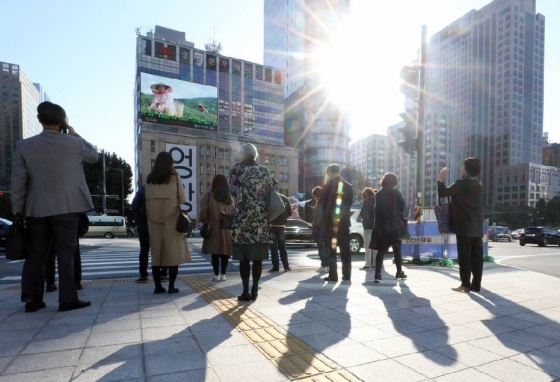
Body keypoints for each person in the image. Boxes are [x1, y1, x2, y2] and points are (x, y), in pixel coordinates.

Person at [11, 101, 98, 312]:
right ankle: (68, 298)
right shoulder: (73, 143)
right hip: (67, 207)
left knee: (36, 255)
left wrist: (17, 210)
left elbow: (18, 181)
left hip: (36, 208)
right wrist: (75, 134)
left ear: (40, 120)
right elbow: (94, 156)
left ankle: (32, 299)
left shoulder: (24, 146)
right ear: (62, 121)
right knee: (66, 254)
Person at [229, 143, 273, 301]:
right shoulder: (264, 170)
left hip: (242, 220)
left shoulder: (236, 170)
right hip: (260, 220)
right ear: (254, 155)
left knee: (244, 258)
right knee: (258, 258)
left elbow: (232, 191)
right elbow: (270, 191)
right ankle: (255, 288)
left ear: (242, 155)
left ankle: (245, 291)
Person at [145, 151, 192, 294]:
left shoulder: (149, 179)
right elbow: (182, 199)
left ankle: (157, 286)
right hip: (171, 219)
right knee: (173, 253)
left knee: (156, 253)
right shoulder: (174, 177)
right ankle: (171, 286)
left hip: (153, 220)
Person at [437, 158, 484, 293]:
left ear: (466, 168)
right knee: (477, 256)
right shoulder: (478, 185)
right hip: (476, 225)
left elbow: (443, 193)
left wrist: (441, 179)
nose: (461, 166)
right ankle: (476, 285)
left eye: (463, 165)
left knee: (464, 255)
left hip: (463, 225)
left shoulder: (461, 183)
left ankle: (465, 284)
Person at [370, 173, 408, 282]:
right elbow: (402, 208)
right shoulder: (397, 193)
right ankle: (399, 272)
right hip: (395, 225)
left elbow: (377, 211)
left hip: (382, 225)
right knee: (397, 250)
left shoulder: (379, 194)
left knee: (381, 250)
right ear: (394, 182)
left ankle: (378, 275)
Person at [199, 174, 234, 281]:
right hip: (227, 228)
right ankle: (223, 274)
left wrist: (204, 220)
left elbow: (203, 212)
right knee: (225, 252)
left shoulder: (209, 196)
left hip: (213, 228)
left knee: (215, 252)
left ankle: (216, 275)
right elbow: (233, 212)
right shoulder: (229, 197)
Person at [321, 164, 353, 282]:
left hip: (331, 223)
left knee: (332, 249)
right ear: (338, 171)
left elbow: (324, 206)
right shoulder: (348, 186)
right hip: (344, 222)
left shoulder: (328, 186)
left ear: (329, 172)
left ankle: (333, 276)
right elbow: (349, 204)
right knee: (345, 249)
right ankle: (347, 274)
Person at [131, 185, 168, 284]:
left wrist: (139, 221)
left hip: (145, 224)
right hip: (161, 224)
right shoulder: (164, 189)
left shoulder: (144, 189)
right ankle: (163, 273)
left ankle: (143, 275)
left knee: (144, 251)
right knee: (162, 249)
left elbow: (134, 205)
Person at [268, 178, 292, 272]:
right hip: (282, 226)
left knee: (273, 248)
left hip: (272, 226)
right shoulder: (284, 198)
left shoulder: (269, 198)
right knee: (282, 247)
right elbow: (289, 212)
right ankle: (286, 266)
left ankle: (275, 267)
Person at [358, 188, 377, 270]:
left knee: (368, 247)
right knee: (375, 247)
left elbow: (362, 214)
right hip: (376, 227)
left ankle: (368, 264)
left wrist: (360, 218)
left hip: (368, 227)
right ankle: (375, 263)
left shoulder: (366, 202)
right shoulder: (377, 201)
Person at [311, 186, 328, 273]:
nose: (314, 198)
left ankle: (324, 265)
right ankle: (327, 265)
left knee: (320, 246)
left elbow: (318, 217)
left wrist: (314, 225)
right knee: (325, 247)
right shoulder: (326, 202)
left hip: (321, 228)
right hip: (326, 227)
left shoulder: (320, 203)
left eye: (314, 196)